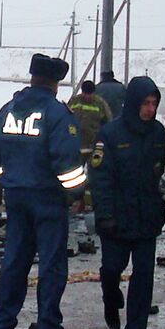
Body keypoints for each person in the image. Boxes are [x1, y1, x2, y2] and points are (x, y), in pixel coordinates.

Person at [0, 53, 86, 329]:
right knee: (52, 263)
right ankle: (48, 326)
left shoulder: (8, 110)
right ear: (55, 83)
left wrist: (12, 176)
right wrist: (77, 194)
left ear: (32, 77)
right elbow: (67, 165)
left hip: (15, 196)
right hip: (48, 199)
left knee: (14, 260)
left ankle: (3, 324)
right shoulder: (57, 114)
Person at [88, 75, 165, 329]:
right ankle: (110, 298)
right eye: (145, 103)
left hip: (147, 218)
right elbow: (100, 179)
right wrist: (105, 215)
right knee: (112, 270)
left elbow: (158, 173)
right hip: (117, 219)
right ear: (133, 103)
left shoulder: (159, 134)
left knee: (144, 276)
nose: (150, 109)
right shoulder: (110, 135)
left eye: (154, 103)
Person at [66, 79, 112, 255]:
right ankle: (73, 201)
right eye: (84, 93)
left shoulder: (100, 104)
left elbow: (108, 122)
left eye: (89, 94)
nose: (86, 96)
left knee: (92, 177)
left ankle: (88, 204)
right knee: (73, 176)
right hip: (76, 146)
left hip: (93, 146)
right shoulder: (75, 101)